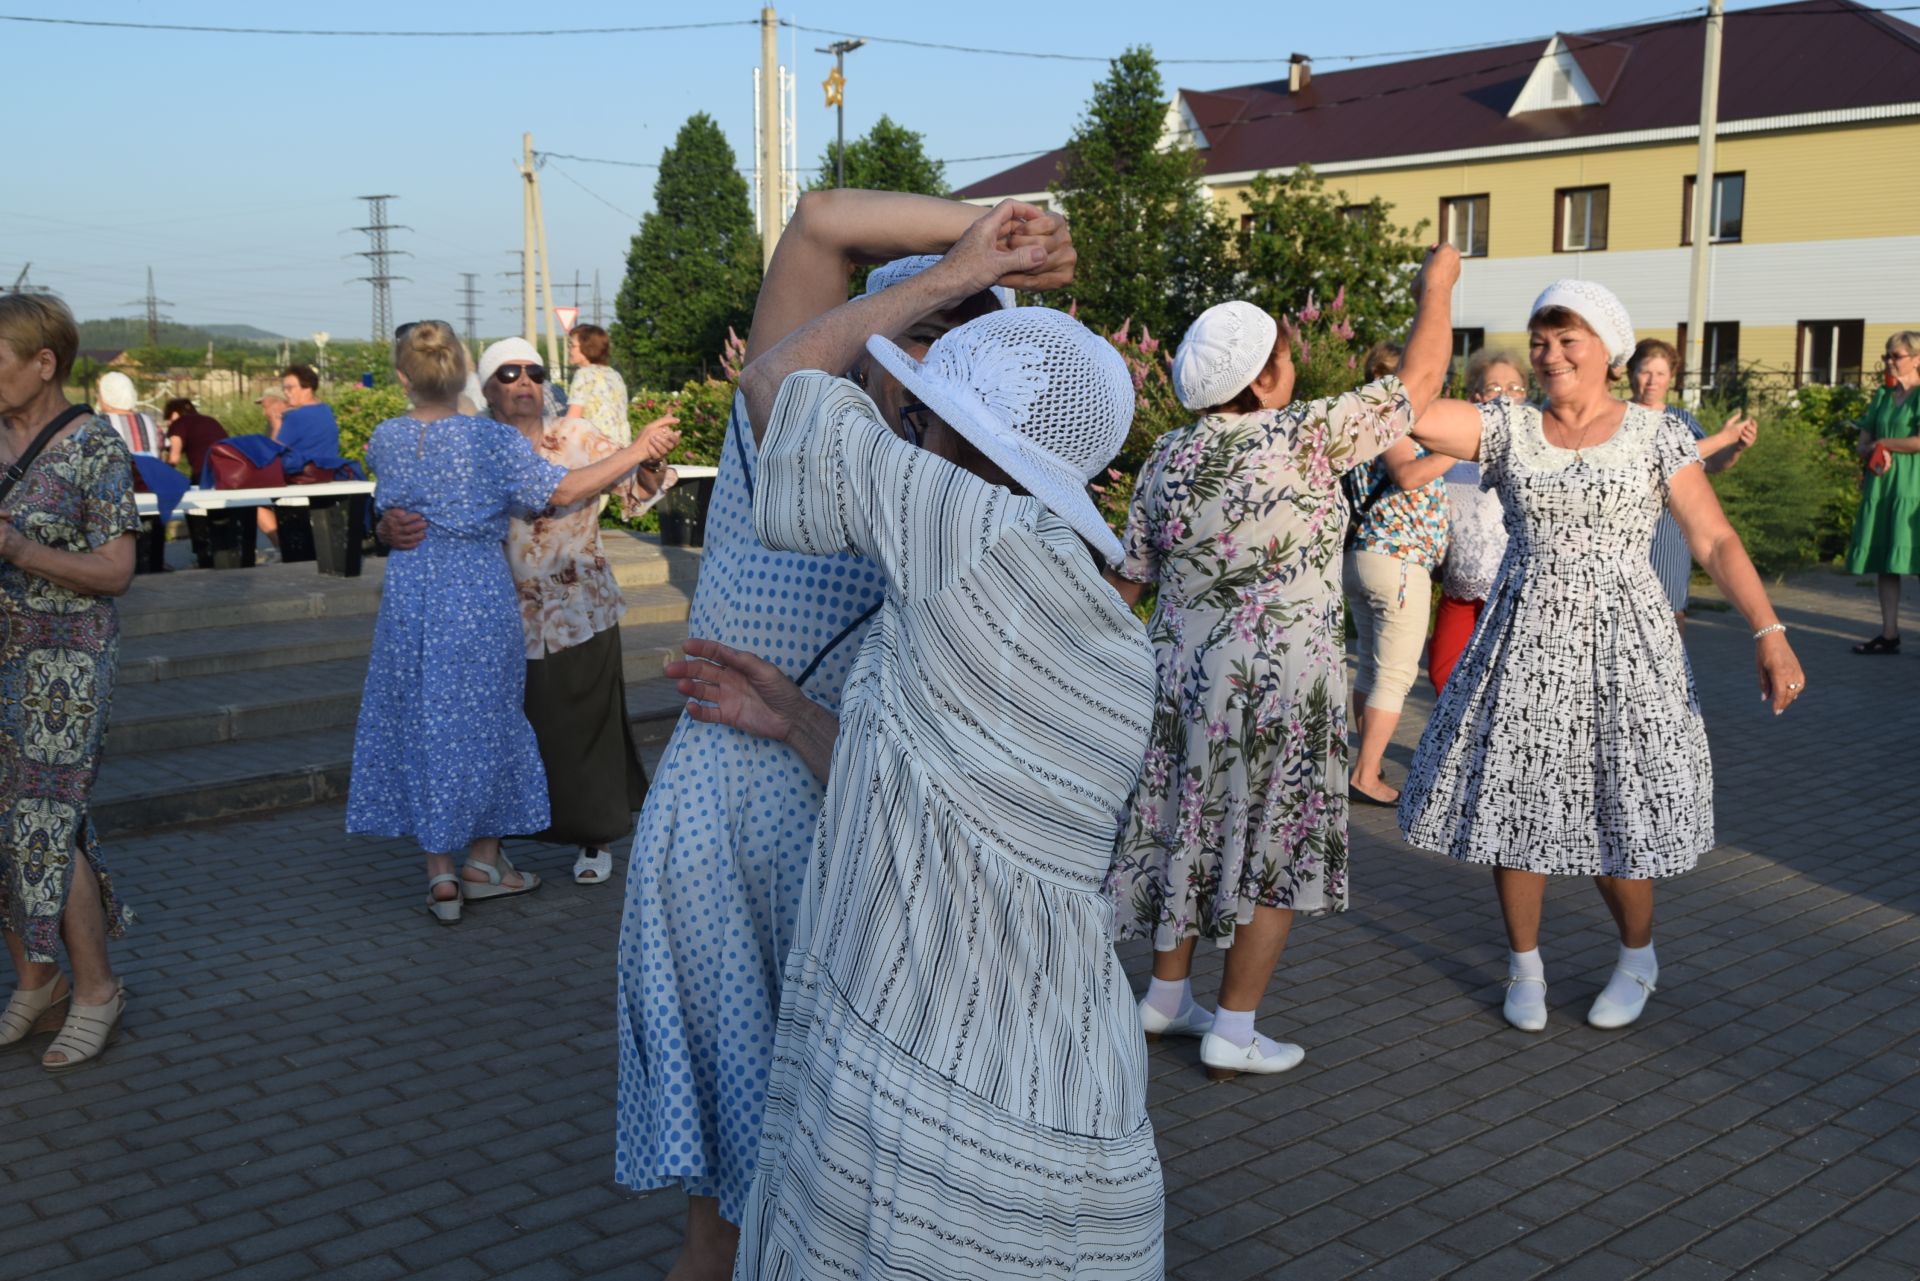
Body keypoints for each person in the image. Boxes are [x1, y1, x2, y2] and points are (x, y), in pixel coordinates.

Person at [696, 200, 1161, 1278]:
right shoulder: (1093, 611)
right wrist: (803, 720)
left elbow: (773, 385)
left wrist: (944, 279)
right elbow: (950, 797)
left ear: (949, 433)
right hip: (1070, 1082)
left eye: (922, 409)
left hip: (929, 1074)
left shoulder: (965, 530)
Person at [612, 188, 1069, 1281]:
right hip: (730, 838)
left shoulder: (961, 498)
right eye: (913, 331)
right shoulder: (789, 426)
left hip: (868, 852)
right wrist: (981, 247)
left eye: (960, 345)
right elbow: (819, 222)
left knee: (843, 1197)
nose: (930, 363)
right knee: (729, 1208)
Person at [1397, 279, 1807, 1033]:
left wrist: (1768, 629)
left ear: (1608, 350)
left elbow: (1713, 538)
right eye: (1541, 341)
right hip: (1523, 641)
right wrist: (1438, 291)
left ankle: (1637, 955)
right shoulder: (1508, 428)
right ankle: (1525, 965)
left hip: (1627, 647)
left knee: (1623, 808)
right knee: (1513, 801)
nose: (1550, 355)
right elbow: (1411, 410)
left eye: (1567, 339)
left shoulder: (1654, 434)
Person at [1104, 255, 1459, 1079]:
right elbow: (1424, 378)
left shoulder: (1166, 456)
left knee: (1189, 825)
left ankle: (1163, 996)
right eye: (1287, 360)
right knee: (1273, 840)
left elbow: (1128, 583)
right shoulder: (1301, 435)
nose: (1295, 373)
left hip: (1184, 681)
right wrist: (1436, 287)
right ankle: (1234, 1023)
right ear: (1263, 381)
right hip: (1282, 684)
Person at [345, 322, 671, 924]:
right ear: (473, 377)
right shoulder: (486, 443)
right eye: (510, 373)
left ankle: (441, 871)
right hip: (481, 597)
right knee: (493, 722)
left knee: (427, 721)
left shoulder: (384, 437)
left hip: (414, 600)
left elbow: (392, 500)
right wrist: (637, 448)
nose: (525, 383)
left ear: (400, 377)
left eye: (534, 373)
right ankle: (485, 862)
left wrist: (387, 524)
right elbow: (562, 488)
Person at [0, 294, 138, 1071]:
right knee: (2, 821)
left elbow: (116, 572)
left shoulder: (95, 449)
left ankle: (96, 989)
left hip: (64, 658)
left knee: (45, 820)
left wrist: (19, 549)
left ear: (43, 363)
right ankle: (37, 978)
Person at [1344, 345, 1455, 804]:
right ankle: (1366, 774)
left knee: (1372, 665)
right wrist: (1457, 448)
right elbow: (1408, 476)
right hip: (1397, 560)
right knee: (1394, 675)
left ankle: (1367, 761)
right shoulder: (1389, 425)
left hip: (1366, 558)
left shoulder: (1361, 425)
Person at [1626, 337, 1758, 631]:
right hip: (1623, 530)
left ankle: (1674, 675)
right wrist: (1722, 437)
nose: (1652, 381)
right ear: (1631, 373)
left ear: (1671, 379)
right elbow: (1661, 460)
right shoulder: (1615, 416)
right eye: (1645, 372)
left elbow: (1709, 463)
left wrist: (1734, 447)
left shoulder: (1680, 419)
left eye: (1660, 374)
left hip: (1669, 534)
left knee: (1672, 615)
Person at [1428, 348, 1523, 693]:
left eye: (1514, 388)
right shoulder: (1450, 456)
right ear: (1475, 397)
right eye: (1495, 388)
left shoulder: (1533, 451)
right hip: (1460, 582)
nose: (1506, 397)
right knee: (1443, 672)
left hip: (1510, 585)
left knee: (1502, 681)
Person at [1843, 331, 1920, 654]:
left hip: (1913, 486)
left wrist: (1885, 444)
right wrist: (1873, 448)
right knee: (1886, 562)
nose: (1889, 361)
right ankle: (1889, 634)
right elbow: (1862, 444)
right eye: (1887, 355)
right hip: (1883, 485)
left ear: (1917, 359)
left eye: (1896, 356)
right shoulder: (1882, 396)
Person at [257, 362, 341, 546]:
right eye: (284, 388)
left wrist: (277, 423)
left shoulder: (296, 417)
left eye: (290, 388)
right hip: (326, 475)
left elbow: (272, 453)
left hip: (300, 478)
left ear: (307, 387)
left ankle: (284, 546)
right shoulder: (326, 410)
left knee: (253, 502)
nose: (287, 392)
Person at [564, 324, 631, 447]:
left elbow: (572, 419)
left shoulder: (584, 374)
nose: (569, 350)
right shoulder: (615, 374)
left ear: (587, 348)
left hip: (597, 449)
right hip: (622, 448)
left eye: (572, 346)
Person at [96, 371, 162, 456]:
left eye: (99, 393)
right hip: (149, 468)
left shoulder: (98, 424)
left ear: (107, 396)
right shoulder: (150, 422)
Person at [162, 397, 229, 476]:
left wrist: (161, 473)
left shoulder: (178, 423)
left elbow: (174, 459)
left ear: (175, 413)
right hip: (228, 468)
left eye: (168, 417)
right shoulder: (210, 420)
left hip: (205, 474)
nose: (168, 423)